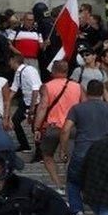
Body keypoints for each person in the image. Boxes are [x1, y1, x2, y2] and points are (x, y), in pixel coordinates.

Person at [60, 80, 108, 215]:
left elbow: (65, 130)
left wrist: (63, 151)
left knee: (73, 182)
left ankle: (77, 210)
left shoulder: (77, 108)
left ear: (87, 92)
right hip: (105, 154)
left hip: (82, 151)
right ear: (102, 92)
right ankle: (103, 211)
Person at [33, 60, 83, 193]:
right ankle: (71, 185)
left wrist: (37, 127)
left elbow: (43, 107)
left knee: (47, 155)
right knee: (70, 157)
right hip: (72, 126)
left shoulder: (47, 86)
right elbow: (83, 105)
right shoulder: (77, 86)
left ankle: (58, 184)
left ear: (53, 71)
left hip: (53, 127)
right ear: (67, 71)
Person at [10, 54, 42, 152]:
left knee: (35, 127)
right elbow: (13, 90)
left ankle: (40, 153)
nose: (9, 64)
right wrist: (5, 102)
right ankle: (24, 145)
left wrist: (31, 109)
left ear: (13, 61)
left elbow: (35, 90)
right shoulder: (18, 73)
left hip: (35, 103)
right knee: (15, 120)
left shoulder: (29, 71)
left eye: (10, 61)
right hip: (26, 101)